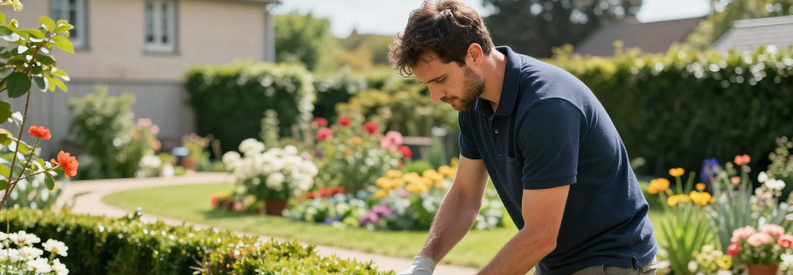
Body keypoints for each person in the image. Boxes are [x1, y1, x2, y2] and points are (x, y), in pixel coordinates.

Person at [387, 1, 658, 274]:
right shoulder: (473, 104)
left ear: (473, 54)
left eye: (440, 80)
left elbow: (540, 235)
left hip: (612, 259)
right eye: (428, 85)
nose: (436, 97)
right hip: (556, 261)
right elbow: (465, 195)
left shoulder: (547, 106)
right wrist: (423, 263)